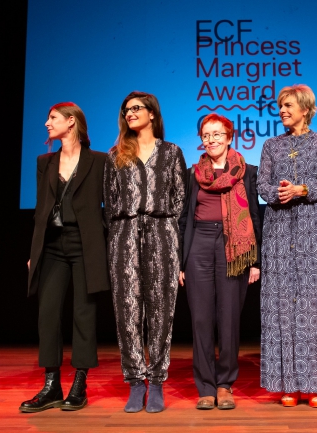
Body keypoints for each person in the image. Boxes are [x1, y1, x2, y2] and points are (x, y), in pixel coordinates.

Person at [258, 84, 317, 408]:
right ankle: (288, 384)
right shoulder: (270, 145)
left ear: (306, 109)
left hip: (314, 230)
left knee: (314, 307)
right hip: (280, 232)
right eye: (280, 106)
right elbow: (262, 185)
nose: (282, 110)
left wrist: (301, 189)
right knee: (281, 306)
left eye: (288, 105)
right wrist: (279, 192)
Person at [22, 102, 110, 413]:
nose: (47, 123)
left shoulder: (99, 160)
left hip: (85, 244)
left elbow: (109, 210)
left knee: (83, 314)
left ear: (71, 122)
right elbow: (41, 210)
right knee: (47, 314)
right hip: (51, 245)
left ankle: (79, 383)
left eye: (53, 118)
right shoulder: (44, 162)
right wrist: (35, 251)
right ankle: (51, 385)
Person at [103, 91, 187, 413]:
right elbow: (110, 205)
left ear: (152, 113)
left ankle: (157, 381)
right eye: (126, 110)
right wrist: (121, 234)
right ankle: (136, 381)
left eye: (136, 108)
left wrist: (167, 233)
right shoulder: (115, 155)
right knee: (127, 310)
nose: (130, 114)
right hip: (124, 236)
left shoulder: (172, 152)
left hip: (162, 235)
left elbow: (180, 200)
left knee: (161, 310)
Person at [178, 113, 261, 410]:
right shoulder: (193, 174)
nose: (210, 140)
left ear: (229, 137)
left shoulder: (246, 171)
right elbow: (184, 217)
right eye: (206, 135)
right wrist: (181, 261)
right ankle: (206, 386)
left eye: (216, 134)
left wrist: (255, 260)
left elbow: (253, 215)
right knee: (201, 319)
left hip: (234, 247)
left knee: (228, 319)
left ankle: (225, 384)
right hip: (199, 243)